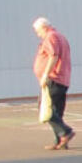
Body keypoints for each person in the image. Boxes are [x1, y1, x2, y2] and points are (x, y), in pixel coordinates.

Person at [32, 16, 75, 149]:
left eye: (38, 31)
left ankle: (65, 132)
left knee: (46, 109)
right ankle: (60, 141)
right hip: (62, 79)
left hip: (54, 79)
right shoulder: (60, 37)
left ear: (44, 27)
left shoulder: (51, 37)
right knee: (57, 110)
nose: (37, 34)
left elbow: (53, 55)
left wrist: (45, 74)